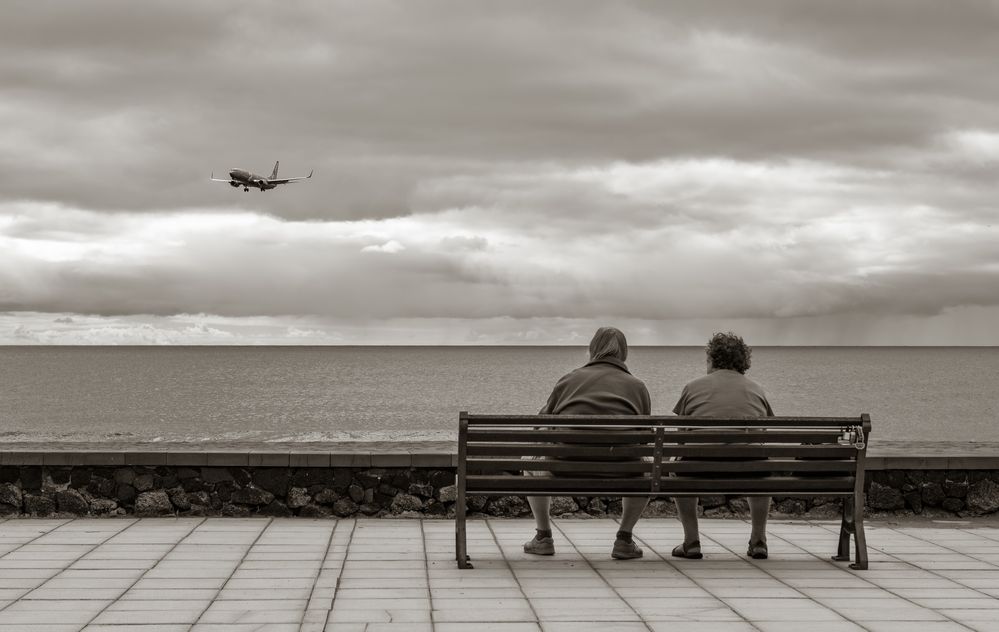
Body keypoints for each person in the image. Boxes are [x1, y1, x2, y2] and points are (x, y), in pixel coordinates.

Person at [523, 326, 651, 560]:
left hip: (565, 467)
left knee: (531, 465)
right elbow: (645, 435)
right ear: (623, 354)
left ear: (592, 350)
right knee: (643, 469)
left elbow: (540, 424)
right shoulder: (637, 386)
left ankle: (543, 537)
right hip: (622, 470)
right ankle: (624, 539)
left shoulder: (569, 379)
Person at [671, 332, 775, 560]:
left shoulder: (692, 387)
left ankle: (691, 542)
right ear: (742, 361)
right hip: (750, 468)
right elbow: (762, 434)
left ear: (712, 359)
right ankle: (759, 540)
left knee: (679, 469)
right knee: (761, 467)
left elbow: (681, 437)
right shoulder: (756, 389)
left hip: (698, 468)